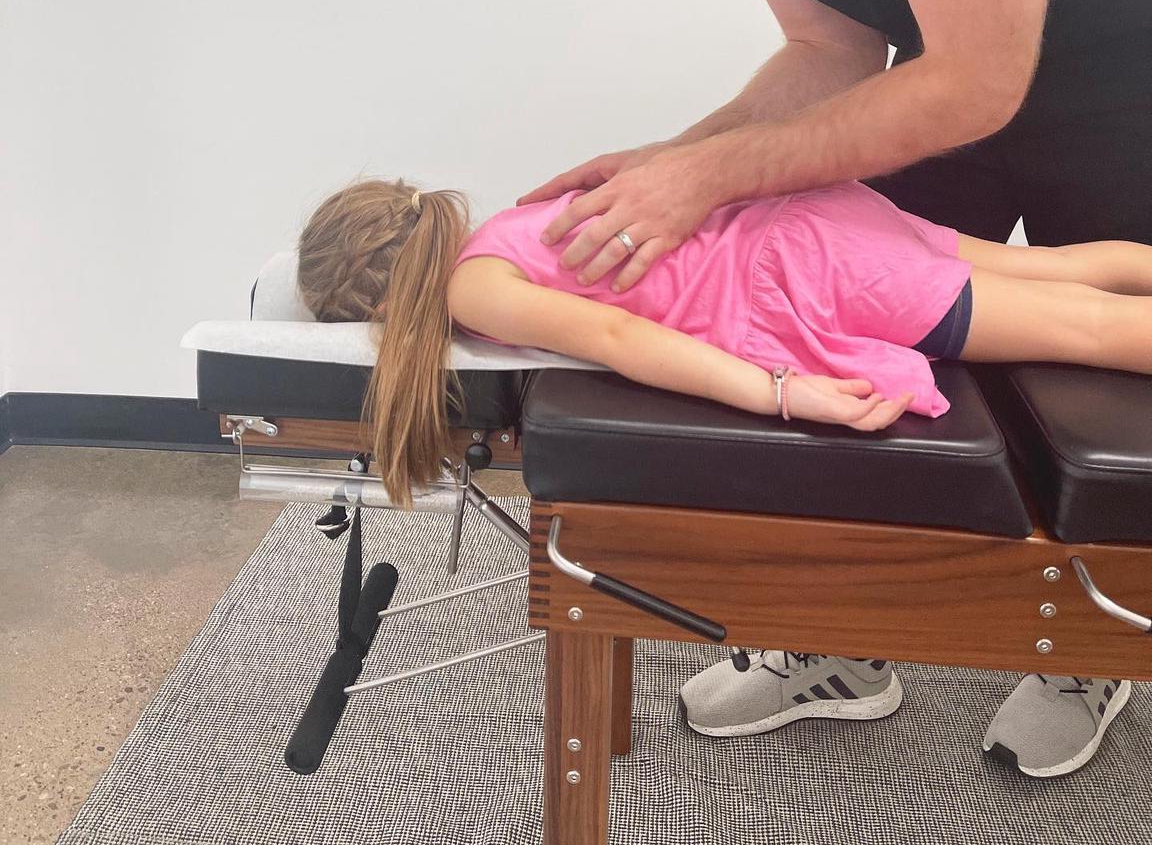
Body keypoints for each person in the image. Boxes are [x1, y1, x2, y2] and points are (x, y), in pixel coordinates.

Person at [502, 0, 1152, 775]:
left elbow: (979, 80)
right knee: (843, 312)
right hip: (957, 71)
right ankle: (851, 639)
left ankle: (1091, 640)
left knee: (1105, 368)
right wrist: (667, 164)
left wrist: (710, 178)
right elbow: (829, 51)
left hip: (1124, 68)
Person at [296, 173, 1147, 774]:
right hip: (817, 222)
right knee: (1062, 270)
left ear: (380, 303)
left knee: (1089, 331)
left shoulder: (473, 286)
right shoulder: (507, 226)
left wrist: (780, 391)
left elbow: (618, 339)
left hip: (813, 277)